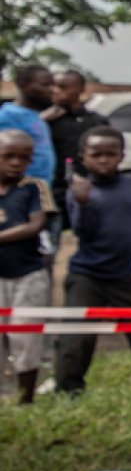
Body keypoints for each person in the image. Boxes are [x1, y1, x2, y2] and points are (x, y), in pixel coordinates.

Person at [56, 127, 131, 394]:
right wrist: (83, 203)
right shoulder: (79, 189)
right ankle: (68, 390)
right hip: (87, 274)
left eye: (110, 154)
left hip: (125, 274)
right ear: (83, 157)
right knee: (76, 337)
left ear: (122, 156)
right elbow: (81, 232)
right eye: (96, 154)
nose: (103, 160)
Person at [0, 131, 48, 404]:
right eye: (9, 156)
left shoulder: (34, 187)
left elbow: (35, 225)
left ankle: (25, 399)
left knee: (25, 337)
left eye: (24, 158)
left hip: (27, 274)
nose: (16, 163)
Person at [0, 64, 59, 260]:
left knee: (44, 252)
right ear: (23, 84)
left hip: (41, 193)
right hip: (18, 197)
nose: (51, 89)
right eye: (45, 84)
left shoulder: (36, 116)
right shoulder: (7, 117)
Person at [43, 69, 106, 223]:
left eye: (63, 87)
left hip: (90, 190)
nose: (55, 91)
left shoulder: (96, 121)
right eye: (53, 86)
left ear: (81, 89)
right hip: (53, 192)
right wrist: (41, 121)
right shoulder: (45, 120)